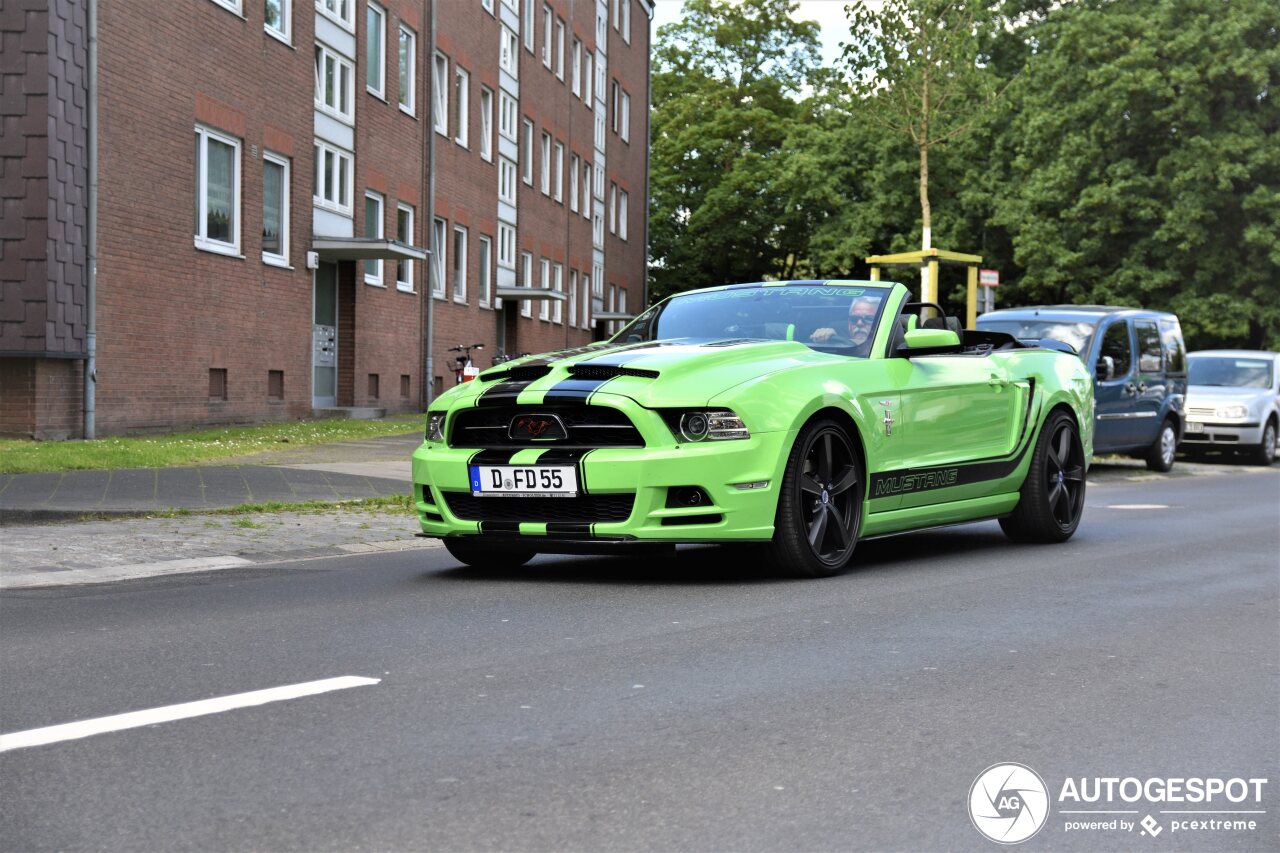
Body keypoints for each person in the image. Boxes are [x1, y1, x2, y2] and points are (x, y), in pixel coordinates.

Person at [809, 295, 881, 356]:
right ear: (849, 323)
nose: (859, 323)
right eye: (854, 318)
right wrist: (822, 339)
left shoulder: (888, 348)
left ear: (880, 321)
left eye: (869, 318)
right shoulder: (835, 344)